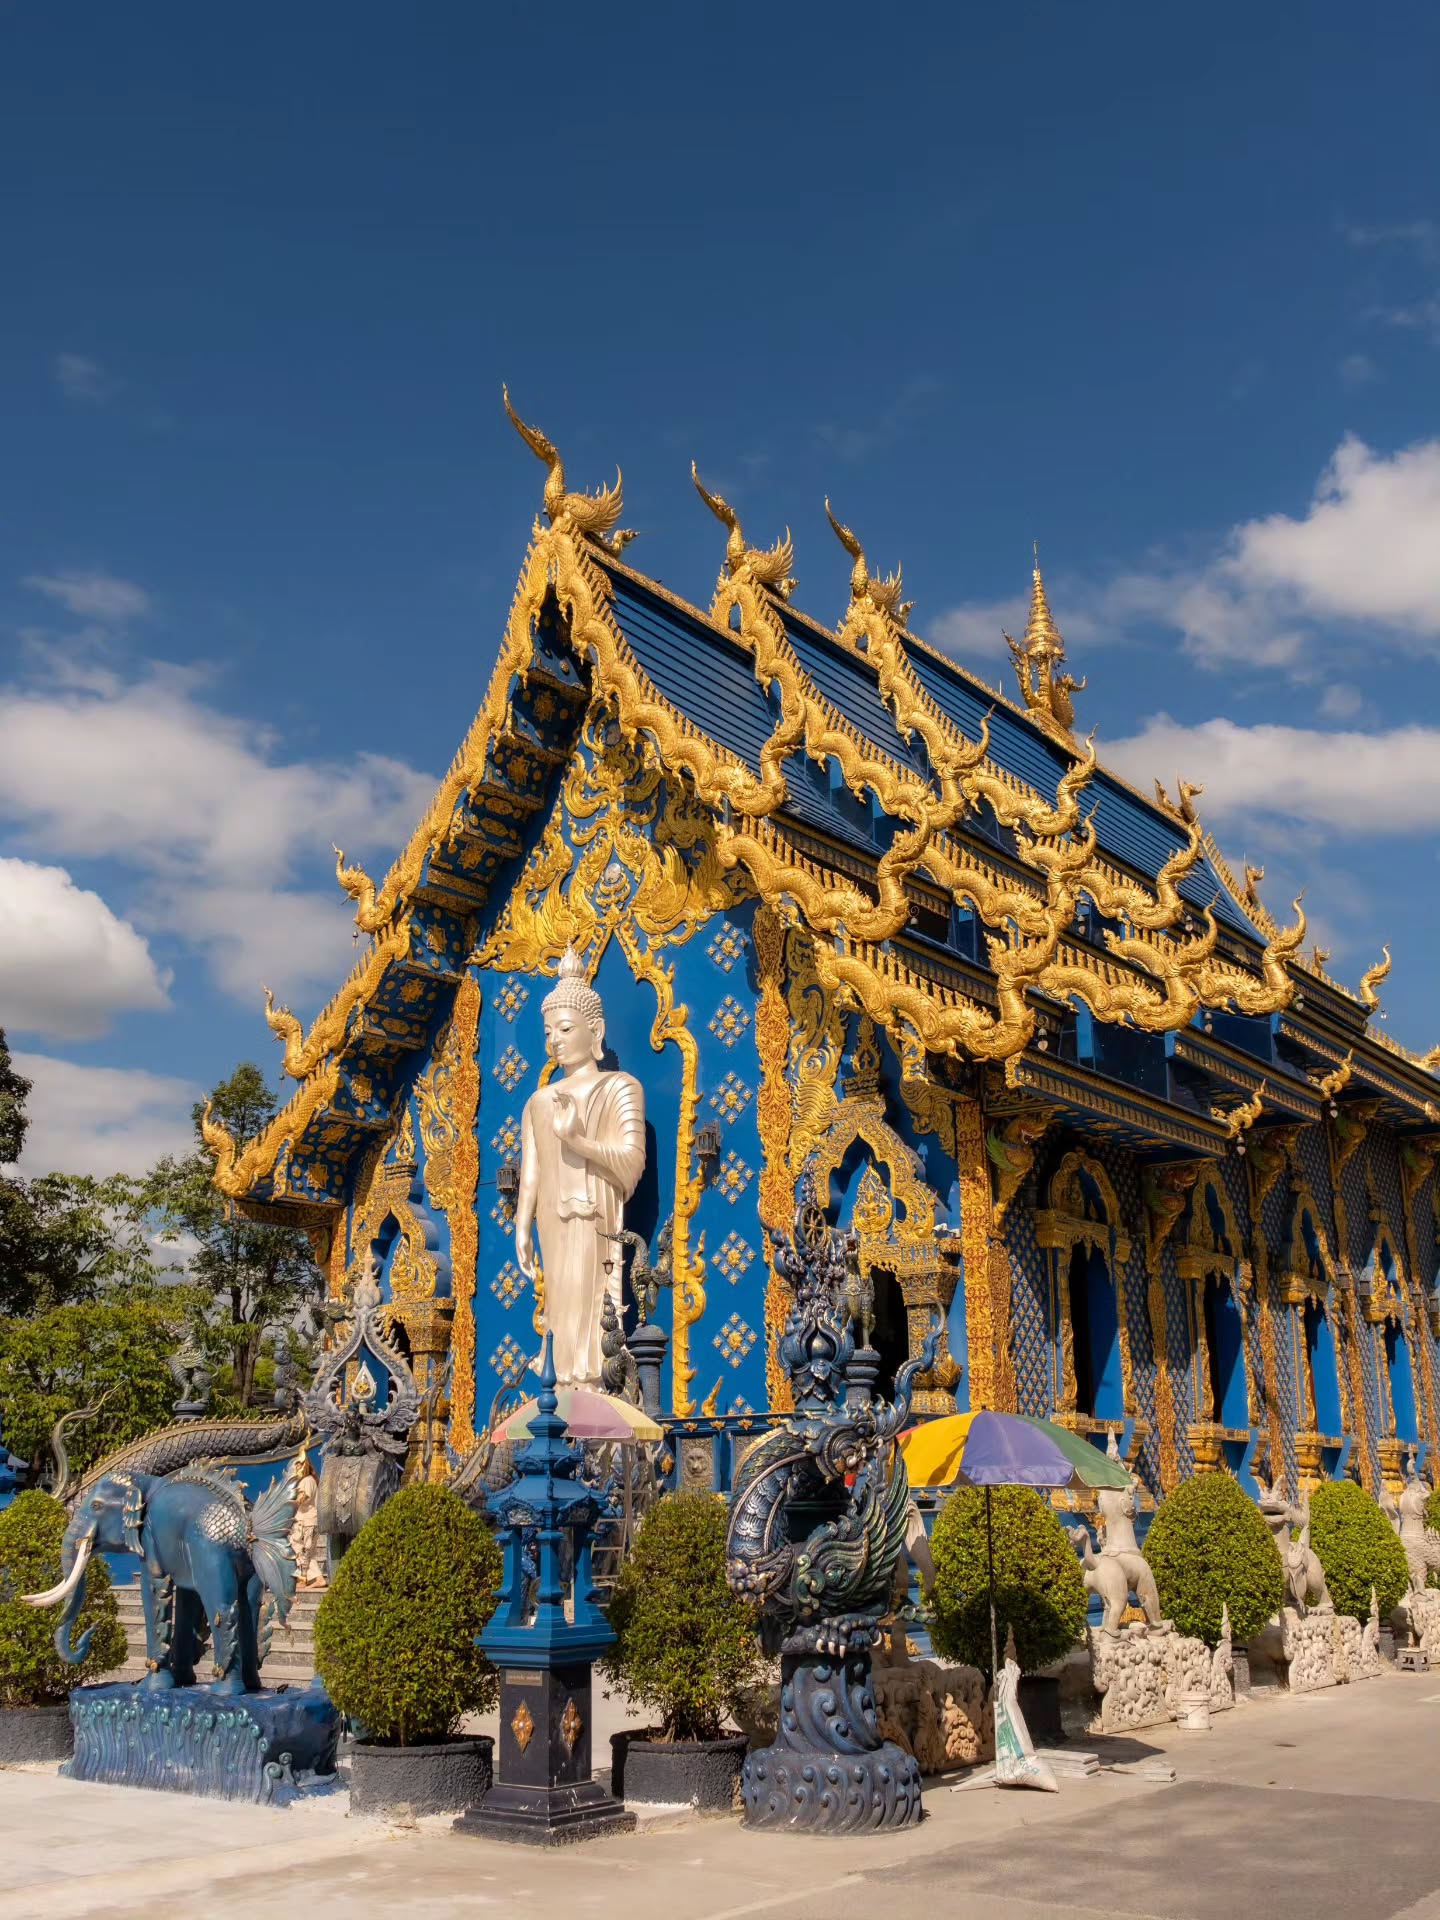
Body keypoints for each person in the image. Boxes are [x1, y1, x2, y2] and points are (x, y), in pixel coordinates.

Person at [515, 945, 646, 1388]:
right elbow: (531, 1172)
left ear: (596, 1030)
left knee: (592, 1299)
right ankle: (557, 1380)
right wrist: (522, 1225)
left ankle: (592, 1381)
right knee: (559, 1299)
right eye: (548, 1031)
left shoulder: (621, 1087)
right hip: (551, 1219)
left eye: (566, 1028)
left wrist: (578, 1143)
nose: (555, 1040)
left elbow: (631, 1165)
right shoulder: (538, 1101)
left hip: (595, 1215)